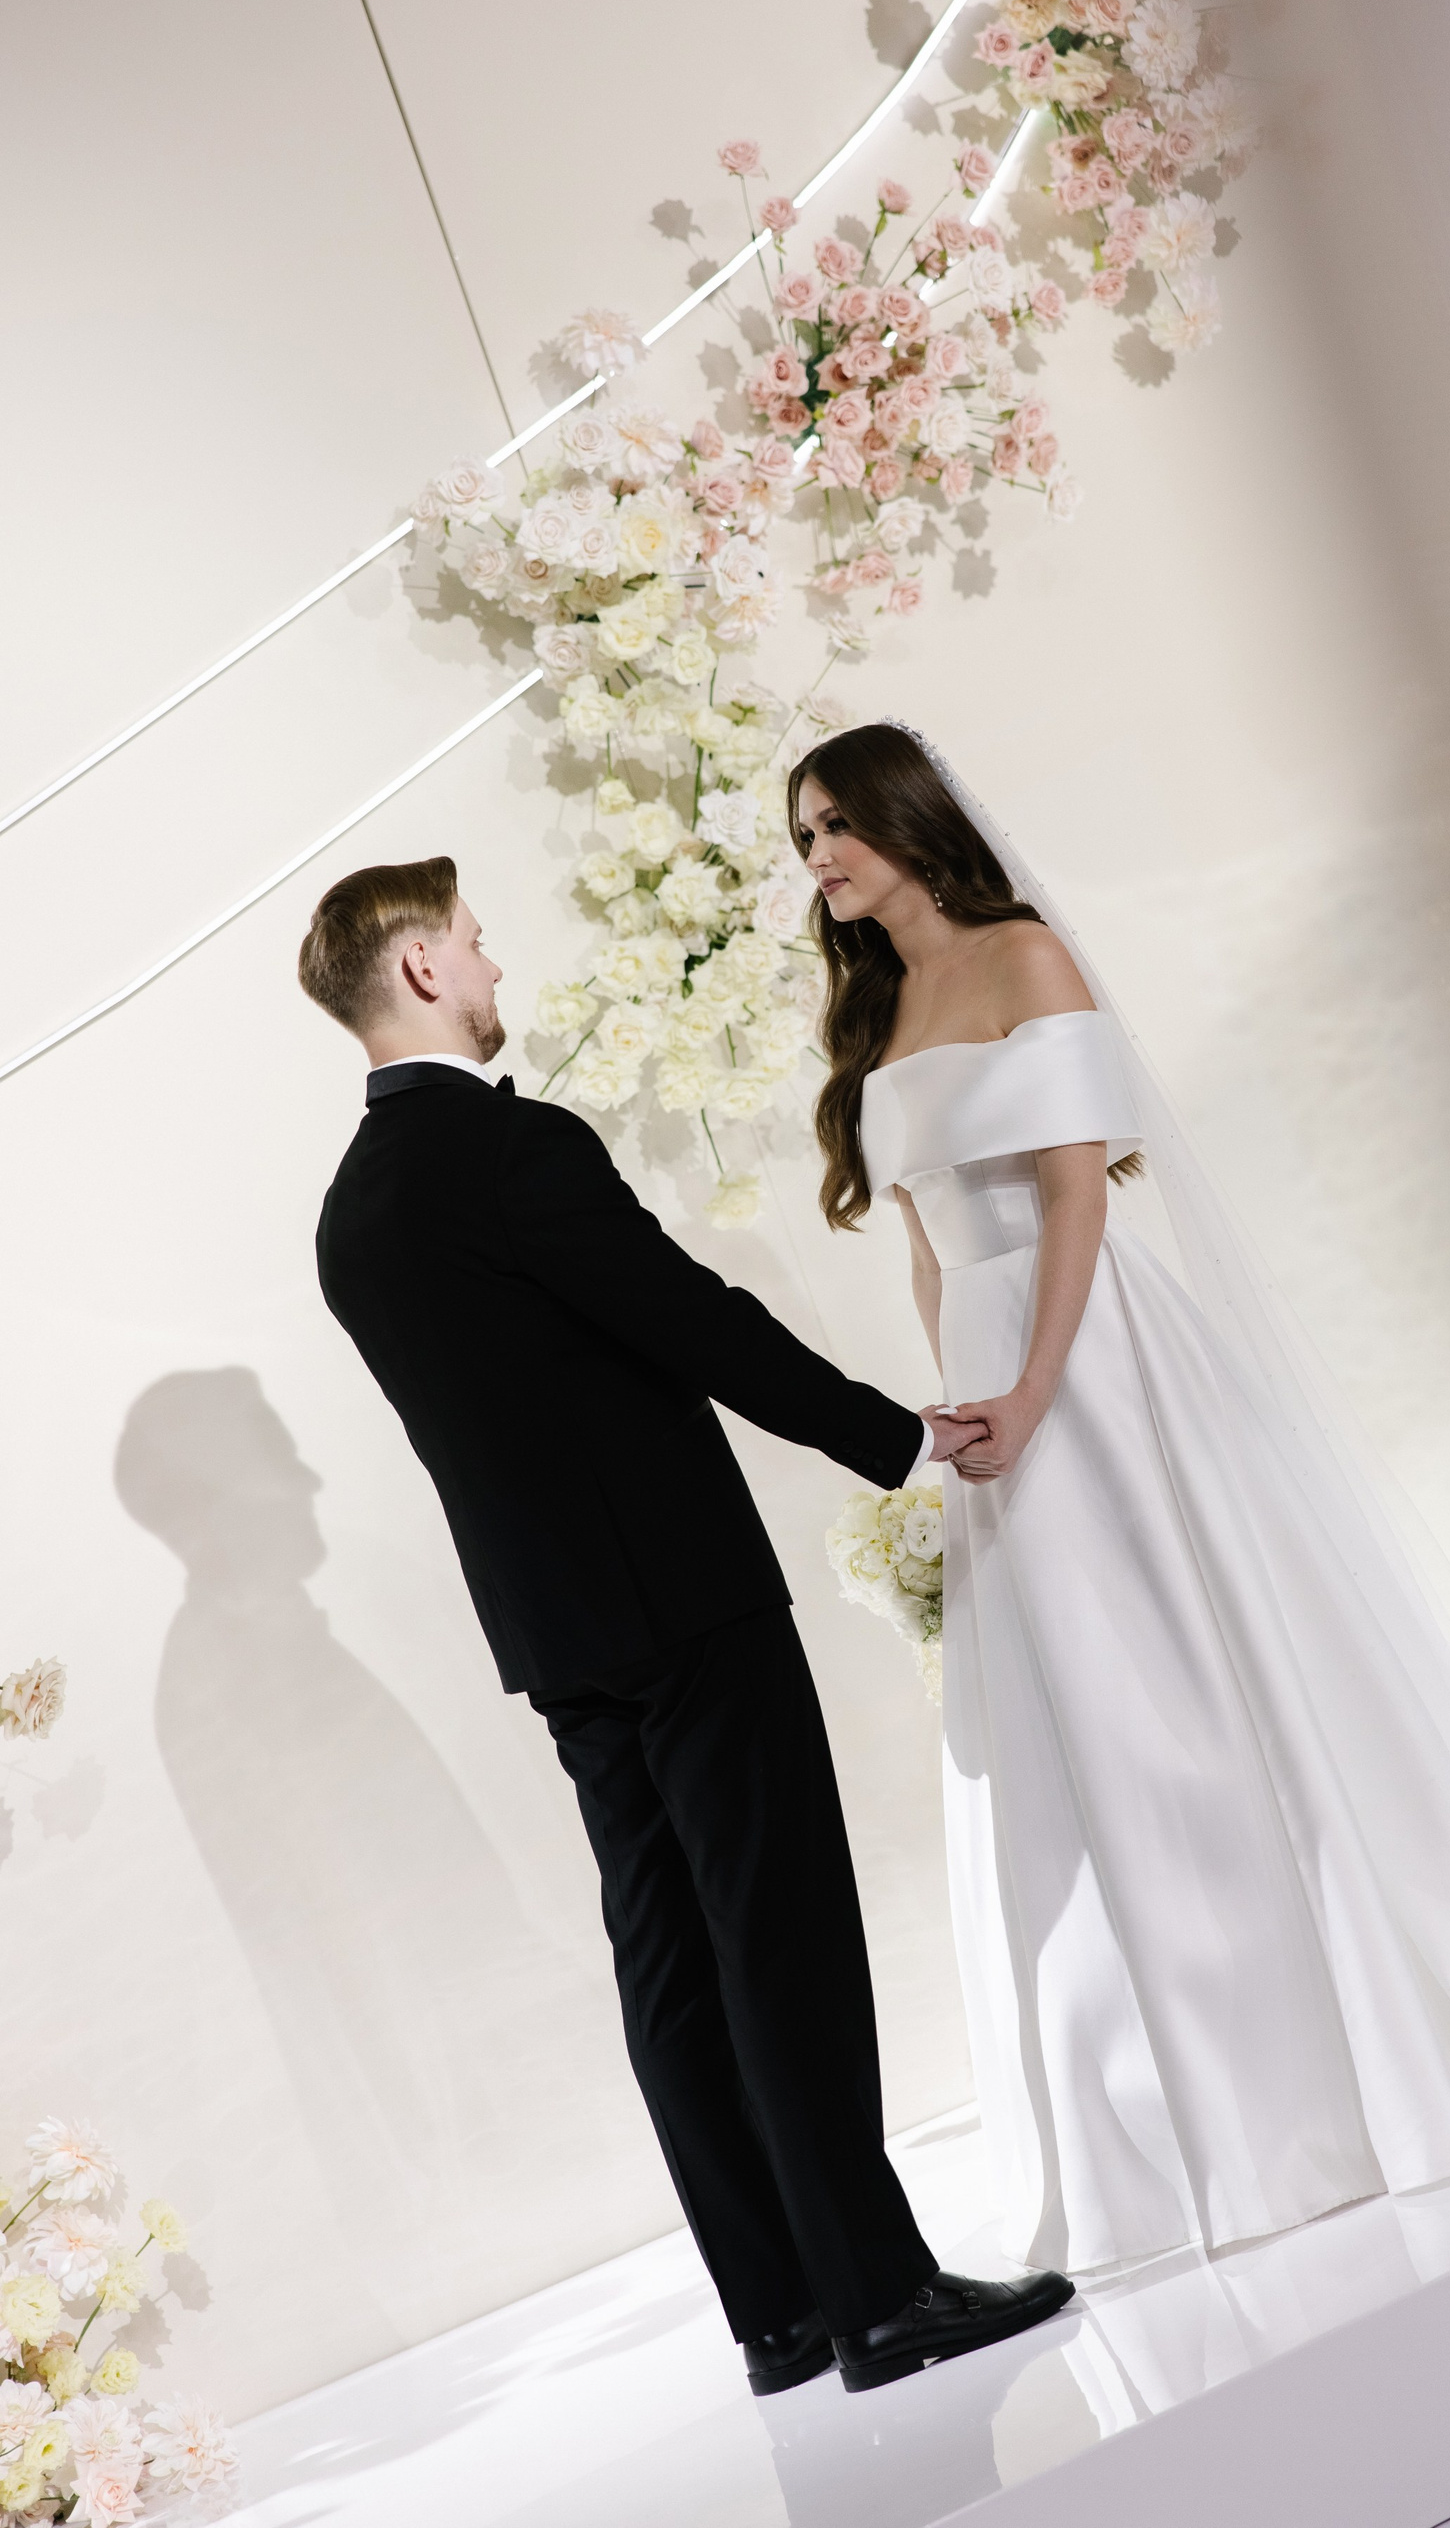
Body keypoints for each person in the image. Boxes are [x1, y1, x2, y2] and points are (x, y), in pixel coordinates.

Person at [789, 724, 1450, 2277]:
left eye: (836, 824)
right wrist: (957, 1400)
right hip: (987, 1391)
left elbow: (1075, 1195)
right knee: (1091, 1722)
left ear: (907, 820)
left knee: (1205, 1682)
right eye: (805, 837)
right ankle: (1194, 2109)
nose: (819, 857)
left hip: (1095, 1362)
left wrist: (1034, 1385)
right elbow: (924, 1241)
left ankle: (1348, 2071)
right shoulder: (875, 1012)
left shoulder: (1026, 955)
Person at [296, 855, 1072, 2393]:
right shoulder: (509, 1148)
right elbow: (690, 1317)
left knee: (665, 1958)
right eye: (475, 941)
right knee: (778, 1937)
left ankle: (777, 2312)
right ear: (424, 970)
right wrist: (893, 1434)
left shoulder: (348, 1217)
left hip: (556, 1635)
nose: (495, 963)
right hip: (680, 1592)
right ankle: (879, 2294)